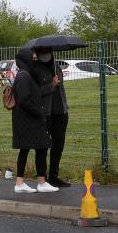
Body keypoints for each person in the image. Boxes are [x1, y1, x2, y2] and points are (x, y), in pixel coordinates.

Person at [11, 48, 57, 193]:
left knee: (30, 149)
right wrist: (40, 113)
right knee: (41, 147)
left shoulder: (26, 74)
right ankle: (39, 182)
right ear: (26, 59)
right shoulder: (24, 77)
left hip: (26, 119)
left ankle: (21, 183)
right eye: (34, 58)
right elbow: (25, 100)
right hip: (29, 120)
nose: (35, 60)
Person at [46, 54, 71, 188]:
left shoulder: (56, 67)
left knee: (58, 145)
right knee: (43, 146)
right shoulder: (37, 69)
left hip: (60, 111)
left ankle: (53, 176)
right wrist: (51, 84)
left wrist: (65, 107)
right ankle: (42, 178)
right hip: (47, 112)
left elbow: (60, 88)